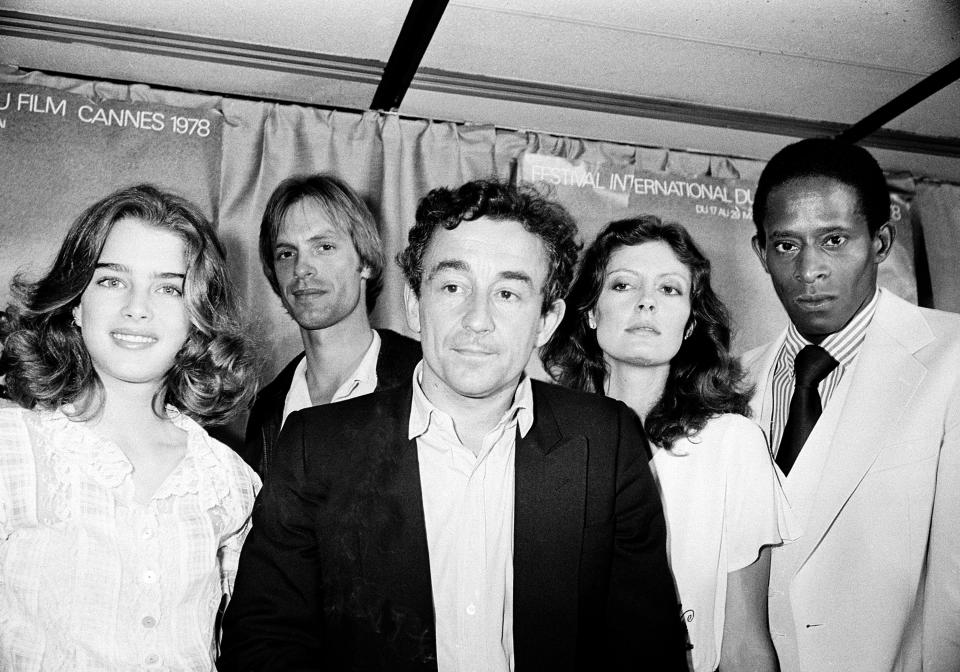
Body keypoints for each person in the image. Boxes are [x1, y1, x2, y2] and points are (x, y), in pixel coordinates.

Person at [218, 179, 688, 671]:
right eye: (452, 287)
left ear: (547, 320)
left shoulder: (606, 444)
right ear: (416, 305)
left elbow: (647, 650)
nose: (477, 318)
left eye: (507, 292)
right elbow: (264, 644)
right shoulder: (315, 447)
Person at [0, 185, 261, 670]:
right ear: (75, 303)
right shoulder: (13, 445)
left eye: (169, 287)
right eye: (112, 281)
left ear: (197, 318)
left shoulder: (226, 479)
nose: (137, 307)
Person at [542, 215, 795, 672]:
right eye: (622, 285)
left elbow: (745, 647)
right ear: (591, 311)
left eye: (669, 289)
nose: (646, 304)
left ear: (691, 323)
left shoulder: (732, 445)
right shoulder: (542, 440)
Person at [744, 137, 960, 672]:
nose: (809, 269)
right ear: (761, 252)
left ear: (881, 242)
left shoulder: (953, 360)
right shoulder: (731, 380)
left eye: (835, 239)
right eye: (786, 245)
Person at [240, 173, 421, 479]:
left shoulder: (425, 378)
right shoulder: (266, 409)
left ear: (364, 261)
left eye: (323, 247)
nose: (301, 268)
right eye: (286, 253)